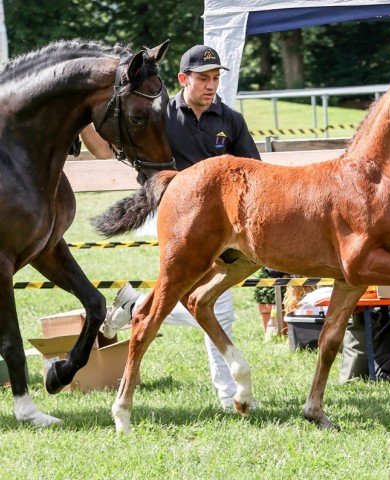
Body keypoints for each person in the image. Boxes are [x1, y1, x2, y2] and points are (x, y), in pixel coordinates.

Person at [81, 45, 261, 410]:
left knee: (200, 298)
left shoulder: (231, 121)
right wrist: (83, 116)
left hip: (224, 228)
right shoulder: (159, 115)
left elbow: (253, 172)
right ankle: (230, 396)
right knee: (213, 303)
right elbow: (103, 149)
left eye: (215, 78)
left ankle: (136, 308)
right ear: (183, 79)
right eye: (203, 79)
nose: (211, 86)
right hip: (177, 220)